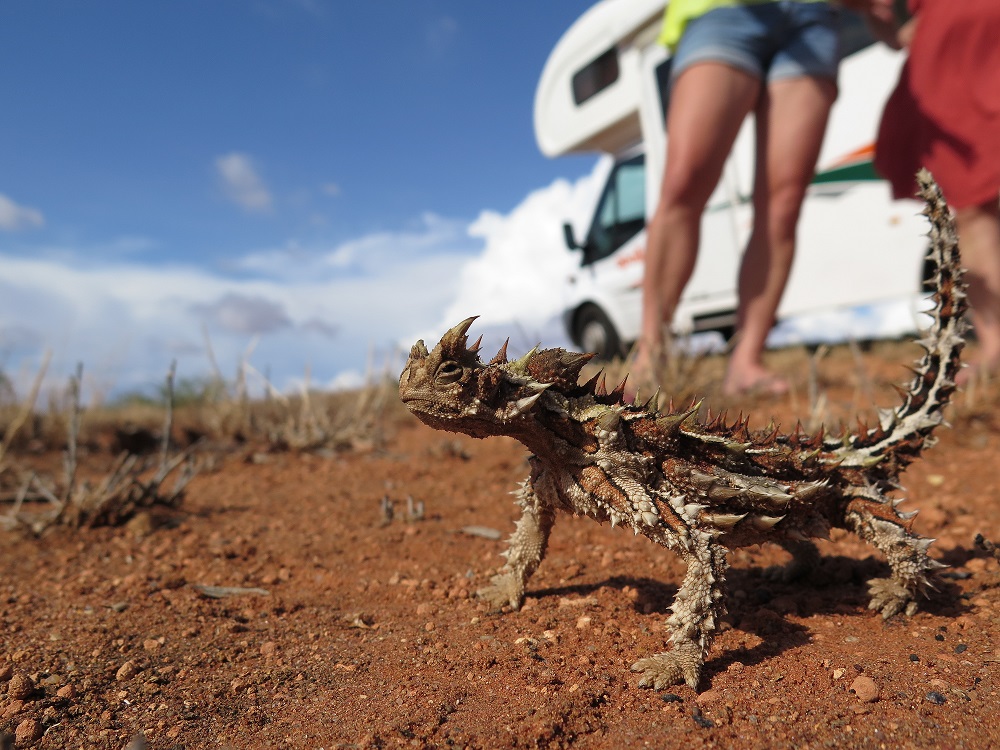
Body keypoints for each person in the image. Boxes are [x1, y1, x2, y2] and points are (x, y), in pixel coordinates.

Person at [633, 0, 854, 396]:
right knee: (684, 182)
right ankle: (650, 354)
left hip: (814, 15)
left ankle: (746, 361)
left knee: (783, 204)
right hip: (724, 9)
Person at [870, 0, 1000, 385]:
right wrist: (891, 27)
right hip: (951, 52)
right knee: (972, 203)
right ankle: (996, 345)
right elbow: (875, 14)